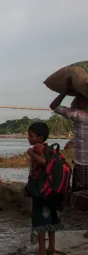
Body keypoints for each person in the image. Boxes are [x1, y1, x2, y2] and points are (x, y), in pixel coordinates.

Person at [25, 122, 63, 255]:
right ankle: (51, 249)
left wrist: (30, 152)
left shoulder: (37, 148)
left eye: (31, 135)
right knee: (51, 220)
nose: (28, 138)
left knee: (40, 221)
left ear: (40, 137)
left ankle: (41, 252)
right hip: (51, 191)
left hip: (41, 191)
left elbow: (42, 162)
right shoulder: (49, 148)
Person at [50, 78, 88, 209]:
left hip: (83, 163)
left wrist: (65, 92)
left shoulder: (79, 115)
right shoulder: (79, 114)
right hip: (82, 162)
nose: (75, 102)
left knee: (80, 196)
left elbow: (54, 106)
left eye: (79, 99)